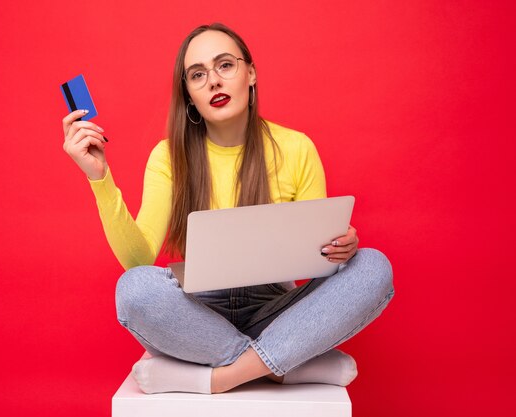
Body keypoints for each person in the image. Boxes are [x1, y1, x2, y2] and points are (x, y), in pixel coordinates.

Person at [62, 23, 394, 395]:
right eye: (198, 75)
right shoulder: (168, 156)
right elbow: (138, 259)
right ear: (188, 95)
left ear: (250, 73)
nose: (213, 82)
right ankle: (279, 367)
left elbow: (314, 262)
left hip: (276, 309)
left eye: (225, 66)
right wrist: (100, 178)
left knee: (372, 266)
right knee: (133, 288)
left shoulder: (297, 147)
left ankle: (222, 377)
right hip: (198, 317)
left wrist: (338, 248)